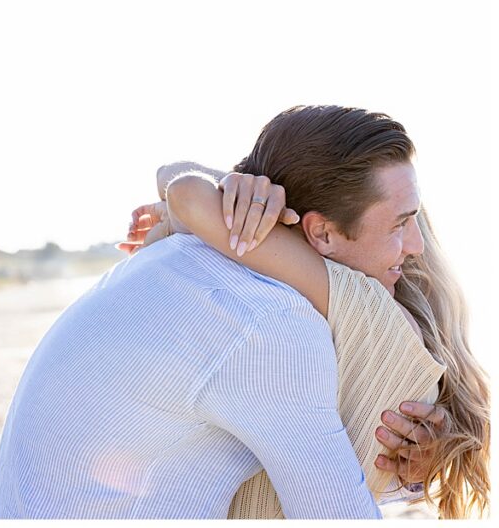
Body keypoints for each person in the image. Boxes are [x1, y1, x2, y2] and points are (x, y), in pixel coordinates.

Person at [123, 108, 488, 518]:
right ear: (322, 233)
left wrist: (224, 194)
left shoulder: (367, 309)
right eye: (401, 224)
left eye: (410, 221)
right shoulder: (356, 312)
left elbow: (187, 194)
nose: (415, 245)